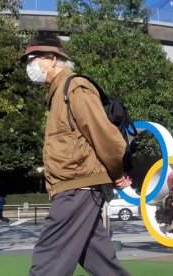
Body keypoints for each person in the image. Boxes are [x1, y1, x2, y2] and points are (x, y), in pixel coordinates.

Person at [21, 34, 131, 276]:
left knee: (49, 258)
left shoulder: (75, 87)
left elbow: (106, 137)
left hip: (77, 187)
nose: (28, 66)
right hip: (76, 188)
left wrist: (116, 172)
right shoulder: (57, 94)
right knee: (101, 263)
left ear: (51, 58)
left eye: (32, 59)